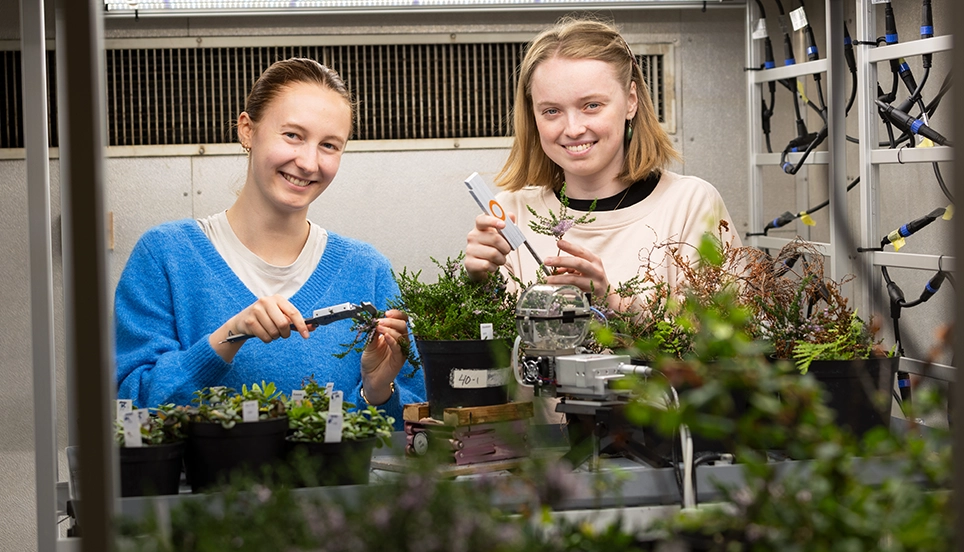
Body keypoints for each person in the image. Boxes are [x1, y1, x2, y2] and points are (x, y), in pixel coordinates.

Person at [115, 58, 423, 427]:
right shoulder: (166, 256)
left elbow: (413, 431)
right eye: (292, 135)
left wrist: (376, 391)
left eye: (329, 145)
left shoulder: (367, 270)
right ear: (247, 130)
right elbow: (128, 407)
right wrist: (227, 338)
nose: (309, 162)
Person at [465, 17, 742, 311]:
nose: (572, 128)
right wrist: (478, 283)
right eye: (552, 111)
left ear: (631, 101)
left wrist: (614, 303)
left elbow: (733, 341)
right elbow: (489, 343)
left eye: (592, 106)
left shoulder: (689, 205)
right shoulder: (510, 213)